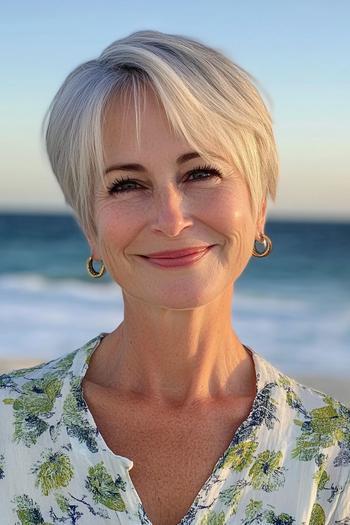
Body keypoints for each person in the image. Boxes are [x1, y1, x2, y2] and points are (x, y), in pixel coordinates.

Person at [0, 30, 349, 525]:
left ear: (259, 207)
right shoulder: (6, 425)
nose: (171, 218)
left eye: (200, 173)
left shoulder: (334, 457)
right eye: (126, 184)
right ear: (90, 226)